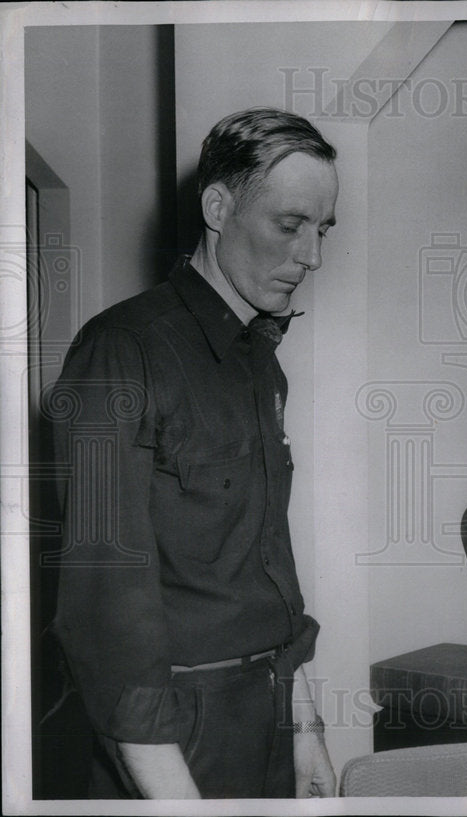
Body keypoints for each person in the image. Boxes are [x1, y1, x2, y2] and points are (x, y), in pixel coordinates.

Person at [47, 107, 339, 799]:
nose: (313, 256)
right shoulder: (121, 351)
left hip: (268, 715)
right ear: (218, 206)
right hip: (174, 739)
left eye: (323, 230)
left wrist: (306, 730)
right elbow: (103, 615)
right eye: (291, 224)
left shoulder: (261, 365)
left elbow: (270, 571)